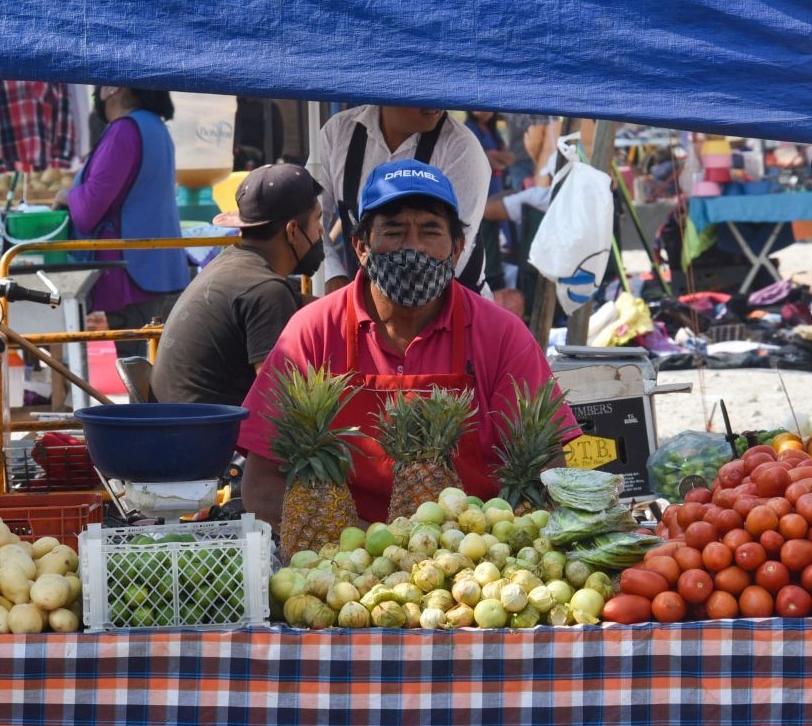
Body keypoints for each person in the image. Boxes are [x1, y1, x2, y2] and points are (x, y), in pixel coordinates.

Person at [237, 158, 579, 528]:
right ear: (361, 246)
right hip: (342, 558)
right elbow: (262, 483)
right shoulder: (312, 333)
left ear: (458, 248)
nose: (412, 248)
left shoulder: (501, 335)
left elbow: (548, 469)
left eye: (430, 231)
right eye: (394, 231)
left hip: (478, 557)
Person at [151, 164, 324, 407]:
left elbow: (299, 305)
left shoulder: (232, 263)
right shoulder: (266, 290)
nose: (321, 231)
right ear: (293, 231)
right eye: (317, 220)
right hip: (207, 437)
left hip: (176, 425)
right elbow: (283, 403)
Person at [53, 86, 189, 358]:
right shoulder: (156, 127)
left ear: (111, 90)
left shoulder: (124, 131)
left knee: (139, 370)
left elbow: (90, 208)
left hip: (133, 274)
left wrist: (65, 195)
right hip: (159, 267)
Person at [311, 105, 491, 295]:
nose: (436, 101)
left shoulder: (461, 148)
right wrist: (332, 276)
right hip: (362, 308)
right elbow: (308, 218)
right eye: (422, 87)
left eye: (428, 231)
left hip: (451, 305)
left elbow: (453, 259)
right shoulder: (338, 132)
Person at [464, 111, 515, 294]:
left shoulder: (493, 131)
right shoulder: (470, 129)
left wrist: (496, 158)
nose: (483, 111)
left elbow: (509, 158)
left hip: (496, 188)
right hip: (482, 191)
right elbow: (486, 159)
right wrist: (495, 158)